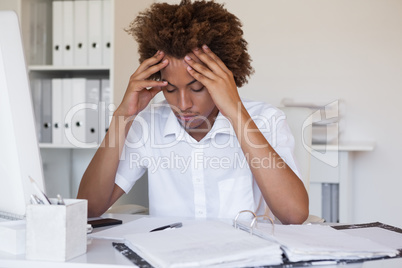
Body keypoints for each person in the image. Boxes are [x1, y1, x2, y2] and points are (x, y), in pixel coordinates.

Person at [77, 0, 308, 224]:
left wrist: (235, 113)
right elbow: (89, 208)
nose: (183, 103)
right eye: (170, 89)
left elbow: (294, 215)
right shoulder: (149, 124)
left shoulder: (265, 119)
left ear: (224, 79)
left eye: (197, 88)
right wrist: (122, 116)